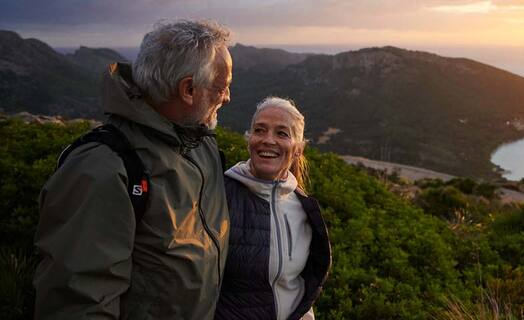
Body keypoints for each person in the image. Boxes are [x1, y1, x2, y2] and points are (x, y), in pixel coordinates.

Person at [34, 20, 232, 319]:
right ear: (189, 89)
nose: (227, 97)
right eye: (222, 86)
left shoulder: (201, 146)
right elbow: (79, 303)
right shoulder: (103, 169)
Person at [215, 97, 331, 320]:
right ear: (249, 139)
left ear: (298, 149)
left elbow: (300, 286)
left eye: (282, 133)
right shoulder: (221, 195)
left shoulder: (304, 206)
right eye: (260, 130)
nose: (268, 140)